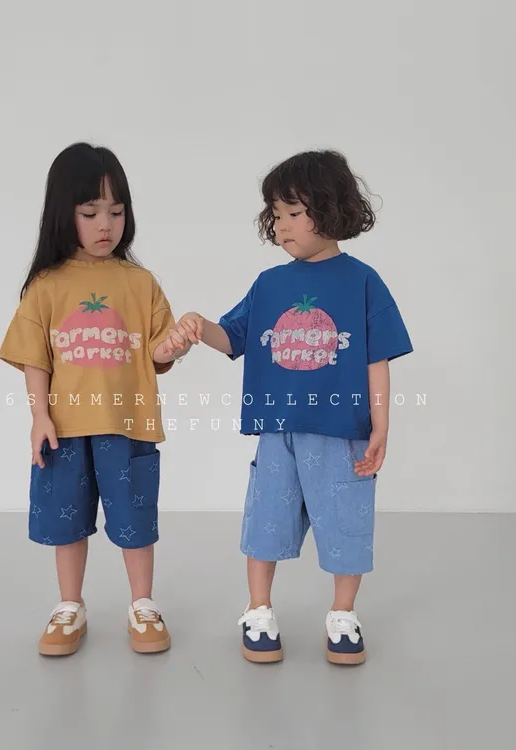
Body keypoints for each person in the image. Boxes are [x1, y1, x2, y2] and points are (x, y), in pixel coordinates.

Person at [174, 149, 413, 665]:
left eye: (294, 212)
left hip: (342, 430)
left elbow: (377, 358)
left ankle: (343, 615)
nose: (281, 225)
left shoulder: (362, 281)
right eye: (276, 214)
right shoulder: (270, 284)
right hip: (277, 431)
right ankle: (258, 609)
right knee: (265, 521)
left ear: (331, 209)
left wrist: (381, 426)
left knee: (347, 523)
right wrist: (199, 326)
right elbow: (233, 337)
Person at [0, 142, 190, 657]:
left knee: (135, 520)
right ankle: (70, 606)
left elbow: (156, 352)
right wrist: (39, 416)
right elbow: (35, 358)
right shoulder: (46, 286)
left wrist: (173, 345)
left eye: (116, 211)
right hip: (64, 429)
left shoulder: (140, 283)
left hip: (128, 427)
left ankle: (142, 604)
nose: (106, 225)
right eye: (90, 213)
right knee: (66, 523)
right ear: (64, 214)